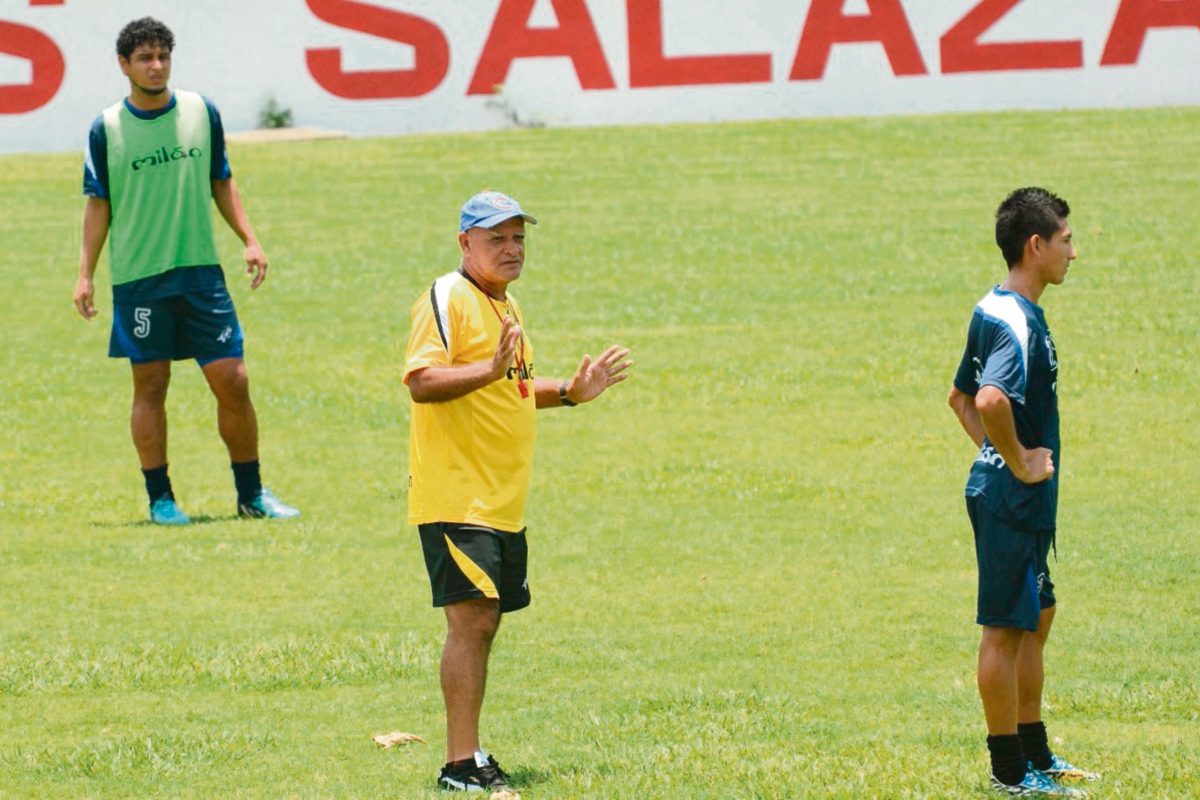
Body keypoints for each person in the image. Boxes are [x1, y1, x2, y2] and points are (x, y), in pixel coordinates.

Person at [404, 192, 632, 793]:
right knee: (471, 621)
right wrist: (488, 369)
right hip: (457, 495)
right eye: (496, 238)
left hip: (500, 500)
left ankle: (472, 754)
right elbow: (422, 381)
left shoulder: (506, 307)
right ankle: (458, 765)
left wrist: (573, 392)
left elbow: (516, 389)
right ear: (465, 244)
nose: (511, 249)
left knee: (485, 624)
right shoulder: (448, 297)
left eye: (518, 238)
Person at [74, 17, 299, 524]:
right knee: (150, 387)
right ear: (124, 65)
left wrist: (250, 239)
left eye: (163, 57)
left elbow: (222, 179)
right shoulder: (105, 127)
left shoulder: (201, 111)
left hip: (200, 273)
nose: (156, 67)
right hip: (140, 278)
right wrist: (85, 273)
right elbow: (98, 203)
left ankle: (252, 495)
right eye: (145, 59)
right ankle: (161, 499)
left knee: (234, 380)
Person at [948, 188, 1099, 796]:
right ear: (1035, 245)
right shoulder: (1016, 323)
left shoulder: (996, 307)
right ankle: (1010, 772)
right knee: (1005, 629)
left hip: (1009, 492)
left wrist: (994, 457)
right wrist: (1017, 461)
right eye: (1066, 239)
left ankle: (1034, 750)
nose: (1074, 252)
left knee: (1037, 614)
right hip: (1011, 496)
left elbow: (958, 397)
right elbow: (986, 399)